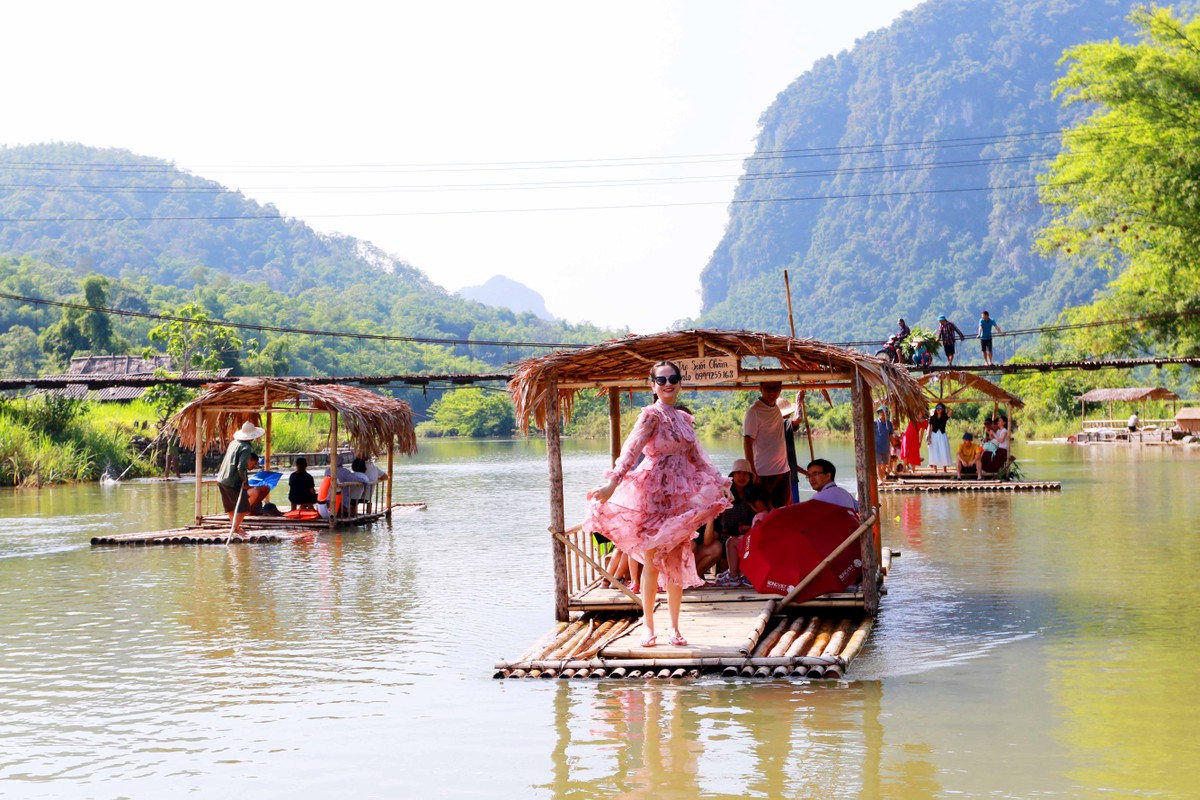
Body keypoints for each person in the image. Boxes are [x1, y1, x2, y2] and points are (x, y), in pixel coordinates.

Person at [585, 361, 732, 649]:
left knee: (676, 560)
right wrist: (613, 483)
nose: (668, 383)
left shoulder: (683, 419)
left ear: (679, 383)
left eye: (673, 379)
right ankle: (648, 626)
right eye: (661, 379)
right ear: (652, 385)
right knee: (651, 562)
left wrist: (721, 484)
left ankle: (675, 628)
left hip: (679, 496)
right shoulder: (651, 416)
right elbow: (630, 451)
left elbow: (699, 459)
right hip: (652, 494)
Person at [743, 381, 792, 508]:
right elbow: (747, 442)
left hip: (783, 471)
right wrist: (753, 472)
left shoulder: (776, 407)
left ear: (780, 389)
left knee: (784, 512)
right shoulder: (754, 411)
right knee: (766, 513)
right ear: (760, 388)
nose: (771, 391)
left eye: (775, 387)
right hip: (764, 473)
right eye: (767, 388)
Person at [216, 420, 264, 536]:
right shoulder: (246, 448)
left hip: (222, 479)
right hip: (232, 481)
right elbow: (241, 466)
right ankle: (235, 528)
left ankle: (236, 528)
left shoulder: (233, 443)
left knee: (230, 506)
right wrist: (244, 481)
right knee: (244, 506)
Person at [928, 403, 952, 473]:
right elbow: (930, 428)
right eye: (937, 407)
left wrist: (945, 406)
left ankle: (945, 469)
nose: (938, 409)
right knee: (934, 451)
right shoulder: (932, 417)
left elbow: (951, 411)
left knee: (943, 451)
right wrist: (929, 438)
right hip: (934, 435)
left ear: (942, 409)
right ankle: (935, 470)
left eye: (940, 408)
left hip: (942, 435)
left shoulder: (944, 416)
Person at [873, 407, 894, 482]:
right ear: (879, 413)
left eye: (884, 412)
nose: (883, 414)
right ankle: (881, 480)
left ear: (887, 413)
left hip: (886, 447)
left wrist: (894, 445)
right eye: (881, 412)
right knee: (878, 464)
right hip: (877, 447)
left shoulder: (889, 424)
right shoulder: (875, 423)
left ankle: (881, 479)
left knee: (884, 464)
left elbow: (891, 435)